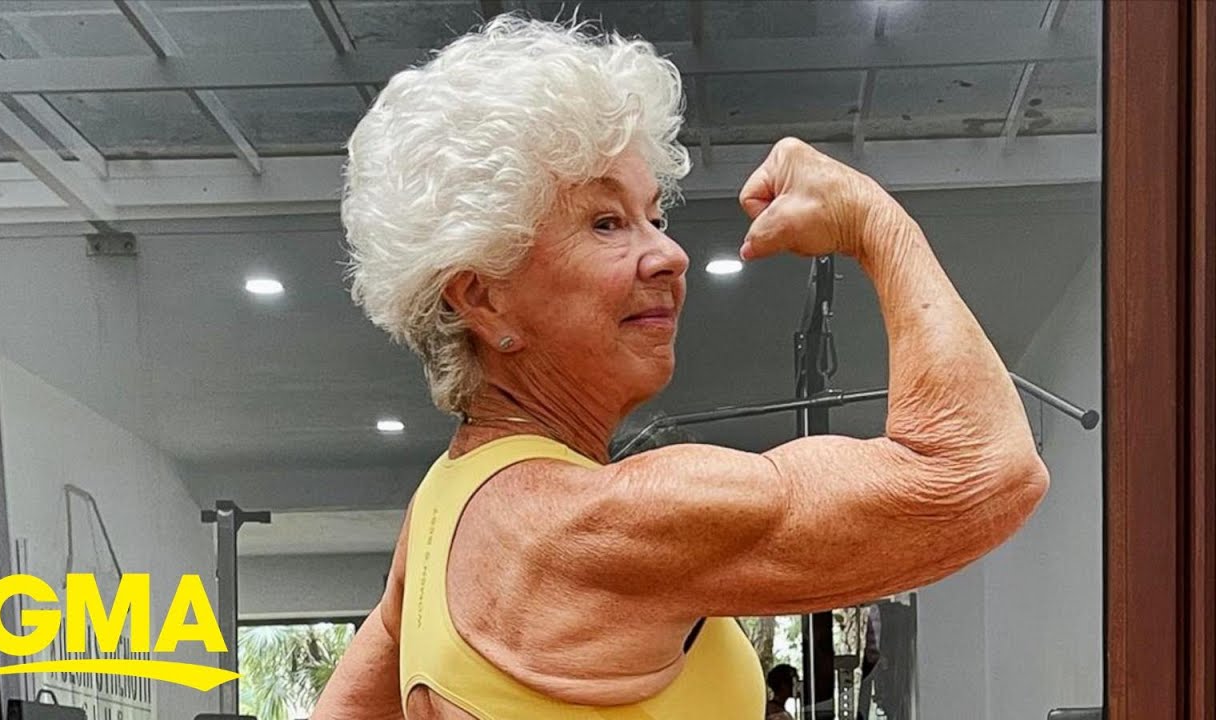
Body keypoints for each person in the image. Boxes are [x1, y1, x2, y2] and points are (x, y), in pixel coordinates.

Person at [313, 15, 1048, 720]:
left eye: (654, 217)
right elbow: (984, 472)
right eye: (606, 223)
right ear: (482, 299)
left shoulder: (442, 511)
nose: (669, 254)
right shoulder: (594, 524)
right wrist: (876, 222)